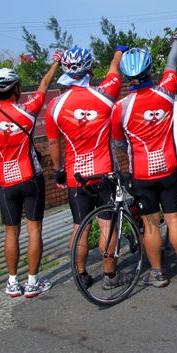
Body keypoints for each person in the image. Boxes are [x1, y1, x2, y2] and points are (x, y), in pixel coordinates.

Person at [0, 58, 61, 297]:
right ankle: (32, 282)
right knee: (34, 231)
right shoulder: (28, 110)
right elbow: (44, 83)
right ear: (16, 89)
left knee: (11, 233)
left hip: (6, 182)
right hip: (31, 178)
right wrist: (56, 62)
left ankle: (12, 282)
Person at [111, 34, 177, 285]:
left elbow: (119, 141)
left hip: (141, 173)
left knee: (150, 225)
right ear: (150, 71)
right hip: (168, 168)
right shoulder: (167, 92)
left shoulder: (121, 107)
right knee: (174, 221)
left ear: (129, 77)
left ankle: (157, 273)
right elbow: (172, 63)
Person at [46, 45, 126, 290]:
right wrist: (118, 53)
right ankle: (110, 276)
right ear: (90, 69)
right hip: (104, 171)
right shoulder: (106, 94)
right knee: (106, 224)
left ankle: (80, 273)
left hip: (75, 175)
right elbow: (114, 70)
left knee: (80, 225)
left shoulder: (55, 106)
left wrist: (58, 170)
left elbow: (52, 142)